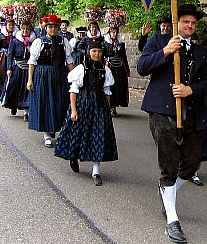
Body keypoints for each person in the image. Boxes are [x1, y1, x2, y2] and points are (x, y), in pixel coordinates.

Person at [137, 4, 207, 244]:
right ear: (176, 22)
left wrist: (190, 89)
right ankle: (172, 219)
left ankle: (166, 193)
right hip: (162, 110)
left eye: (193, 23)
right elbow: (142, 67)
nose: (190, 26)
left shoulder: (201, 52)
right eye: (186, 22)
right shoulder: (159, 40)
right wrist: (166, 52)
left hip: (192, 113)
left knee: (191, 165)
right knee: (169, 161)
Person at [54, 39, 118, 186]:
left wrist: (107, 109)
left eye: (99, 51)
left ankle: (96, 171)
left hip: (99, 106)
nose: (97, 54)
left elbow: (107, 91)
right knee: (78, 133)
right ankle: (73, 157)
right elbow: (74, 91)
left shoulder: (105, 70)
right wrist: (74, 110)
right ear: (89, 53)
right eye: (94, 51)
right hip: (83, 104)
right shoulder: (81, 69)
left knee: (98, 136)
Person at [27, 14, 75, 148]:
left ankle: (56, 128)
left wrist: (75, 76)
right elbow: (32, 62)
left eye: (55, 27)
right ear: (46, 28)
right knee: (46, 103)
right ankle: (47, 134)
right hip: (43, 75)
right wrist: (30, 80)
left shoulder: (63, 41)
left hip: (60, 75)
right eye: (50, 27)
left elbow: (69, 60)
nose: (53, 29)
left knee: (60, 102)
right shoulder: (39, 42)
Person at [4, 21, 37, 121]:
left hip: (29, 68)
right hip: (17, 67)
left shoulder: (34, 41)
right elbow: (10, 55)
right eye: (23, 29)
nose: (25, 31)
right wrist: (9, 68)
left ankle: (26, 111)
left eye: (27, 29)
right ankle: (13, 106)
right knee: (14, 88)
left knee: (28, 90)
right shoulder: (15, 41)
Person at [102, 10, 130, 117]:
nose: (114, 34)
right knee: (110, 86)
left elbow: (124, 56)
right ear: (109, 32)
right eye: (112, 32)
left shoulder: (120, 44)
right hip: (109, 67)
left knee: (118, 86)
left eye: (116, 32)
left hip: (119, 68)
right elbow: (102, 56)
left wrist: (127, 69)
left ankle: (115, 106)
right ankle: (110, 106)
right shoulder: (105, 43)